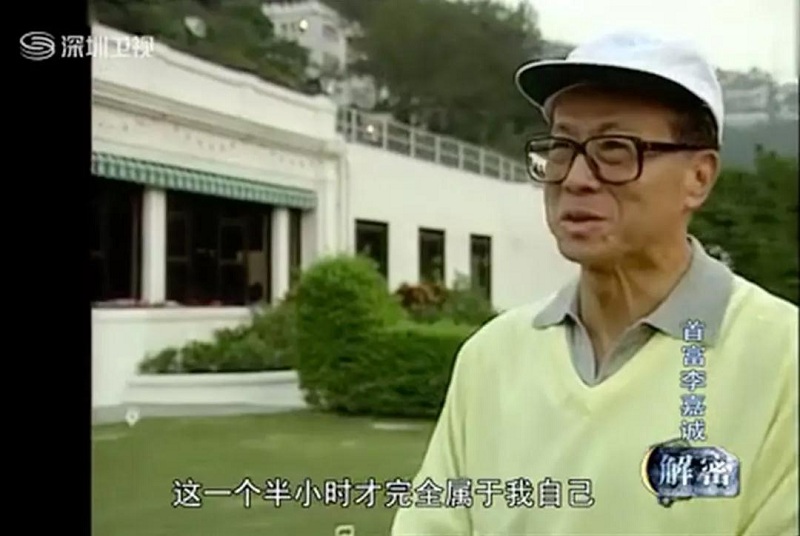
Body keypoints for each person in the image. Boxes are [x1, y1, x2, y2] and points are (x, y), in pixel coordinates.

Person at [391, 31, 798, 536]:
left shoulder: (784, 358)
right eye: (562, 148)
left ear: (698, 177)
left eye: (614, 149)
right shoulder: (490, 358)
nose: (576, 178)